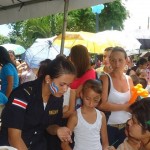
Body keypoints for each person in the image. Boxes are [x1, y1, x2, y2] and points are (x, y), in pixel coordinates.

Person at [0, 56, 76, 150]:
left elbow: (50, 125)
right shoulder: (23, 94)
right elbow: (14, 138)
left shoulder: (57, 97)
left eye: (68, 85)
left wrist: (57, 130)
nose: (65, 89)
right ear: (48, 79)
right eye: (62, 84)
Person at [61, 79, 115, 150]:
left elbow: (105, 143)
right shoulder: (75, 117)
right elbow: (64, 145)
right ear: (81, 95)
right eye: (87, 99)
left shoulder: (101, 116)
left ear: (100, 98)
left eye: (95, 100)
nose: (91, 103)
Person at [98, 47, 134, 148]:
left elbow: (132, 102)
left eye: (120, 60)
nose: (117, 64)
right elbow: (102, 105)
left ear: (126, 60)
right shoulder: (105, 78)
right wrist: (125, 106)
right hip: (109, 128)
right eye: (113, 60)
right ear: (110, 61)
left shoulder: (129, 79)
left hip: (127, 128)